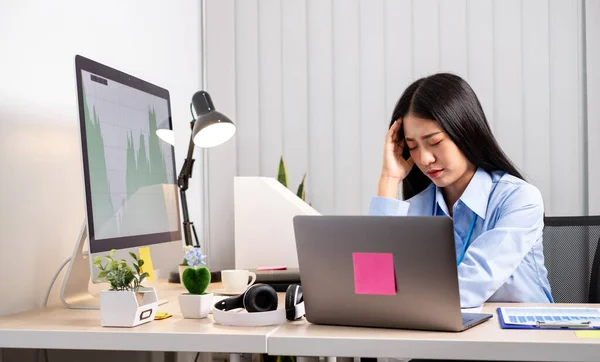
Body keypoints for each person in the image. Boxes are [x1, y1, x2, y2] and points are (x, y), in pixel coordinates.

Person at [369, 73, 554, 308]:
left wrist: (398, 296)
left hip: (523, 335)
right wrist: (388, 179)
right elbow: (374, 283)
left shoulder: (519, 199)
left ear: (465, 132)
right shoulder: (418, 208)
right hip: (448, 335)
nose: (425, 158)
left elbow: (473, 283)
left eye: (435, 142)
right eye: (413, 147)